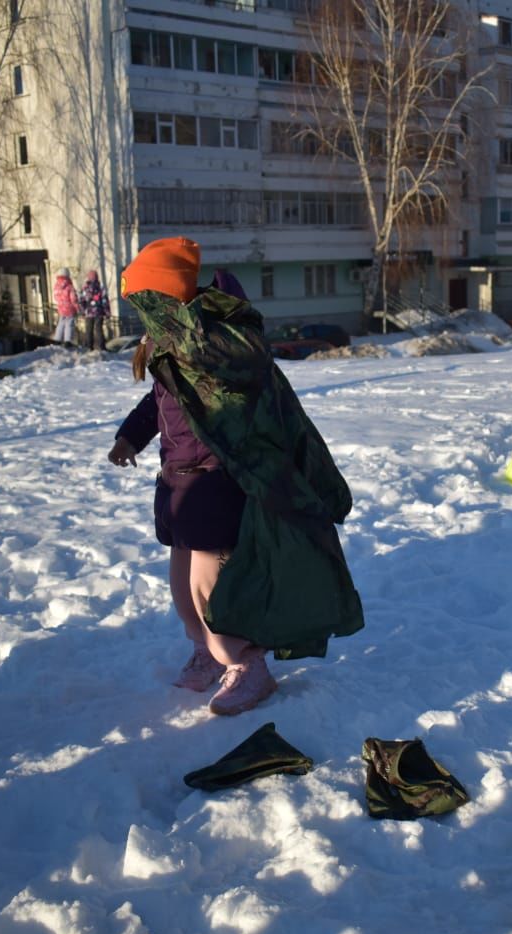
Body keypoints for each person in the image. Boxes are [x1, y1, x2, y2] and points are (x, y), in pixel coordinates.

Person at [107, 238, 362, 715]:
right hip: (178, 483)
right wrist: (130, 437)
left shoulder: (209, 342)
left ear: (163, 296)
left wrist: (186, 337)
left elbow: (239, 379)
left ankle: (247, 667)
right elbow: (158, 401)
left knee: (213, 593)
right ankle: (207, 651)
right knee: (184, 592)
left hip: (215, 483)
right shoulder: (166, 344)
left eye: (144, 300)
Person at [78, 269, 110, 352]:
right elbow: (105, 300)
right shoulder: (100, 287)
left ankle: (89, 346)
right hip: (99, 312)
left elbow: (81, 300)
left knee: (89, 330)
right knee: (99, 329)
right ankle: (101, 346)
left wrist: (82, 311)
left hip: (88, 313)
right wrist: (107, 312)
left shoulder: (85, 288)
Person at [51, 267, 78, 346]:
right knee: (69, 324)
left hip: (61, 308)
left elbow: (55, 297)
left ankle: (57, 339)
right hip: (69, 308)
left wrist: (61, 302)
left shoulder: (56, 285)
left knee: (61, 323)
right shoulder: (69, 286)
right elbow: (73, 299)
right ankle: (67, 341)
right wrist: (77, 307)